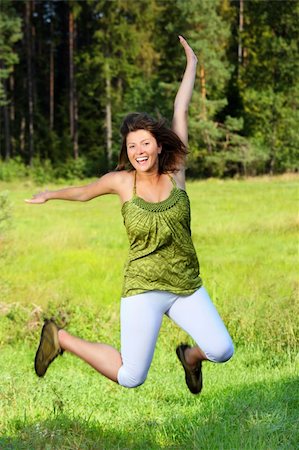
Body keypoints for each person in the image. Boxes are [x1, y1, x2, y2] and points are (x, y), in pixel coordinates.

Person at [26, 36, 234, 395]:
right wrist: (50, 194)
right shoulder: (122, 183)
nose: (138, 151)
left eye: (144, 143)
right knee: (131, 376)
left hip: (186, 286)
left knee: (222, 350)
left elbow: (180, 109)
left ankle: (190, 358)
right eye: (131, 145)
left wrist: (192, 66)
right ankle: (60, 338)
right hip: (144, 288)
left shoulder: (176, 173)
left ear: (158, 145)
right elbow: (83, 192)